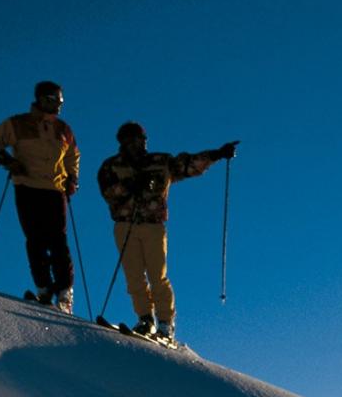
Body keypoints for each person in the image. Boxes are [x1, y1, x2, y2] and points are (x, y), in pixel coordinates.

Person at [97, 122, 237, 340]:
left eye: (143, 139)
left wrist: (217, 154)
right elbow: (107, 192)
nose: (141, 144)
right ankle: (145, 319)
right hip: (125, 224)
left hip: (153, 225)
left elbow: (189, 165)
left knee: (157, 276)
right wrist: (131, 185)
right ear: (124, 142)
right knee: (134, 277)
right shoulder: (111, 166)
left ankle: (165, 323)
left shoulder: (160, 162)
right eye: (135, 140)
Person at [0, 82, 80, 313]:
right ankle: (44, 287)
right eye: (53, 100)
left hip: (54, 189)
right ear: (40, 99)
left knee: (57, 240)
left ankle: (64, 291)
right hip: (27, 185)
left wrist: (72, 178)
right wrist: (6, 160)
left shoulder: (64, 129)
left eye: (60, 101)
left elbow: (73, 156)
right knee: (35, 239)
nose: (57, 105)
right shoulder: (19, 123)